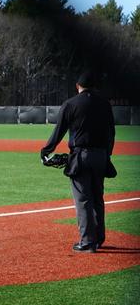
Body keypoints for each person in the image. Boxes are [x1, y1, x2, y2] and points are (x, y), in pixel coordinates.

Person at [41, 71, 116, 253]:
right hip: (101, 155)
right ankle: (98, 238)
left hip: (81, 156)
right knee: (98, 197)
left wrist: (46, 151)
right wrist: (107, 155)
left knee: (83, 199)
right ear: (94, 87)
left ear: (77, 86)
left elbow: (59, 132)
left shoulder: (71, 104)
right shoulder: (105, 104)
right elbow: (111, 132)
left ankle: (87, 242)